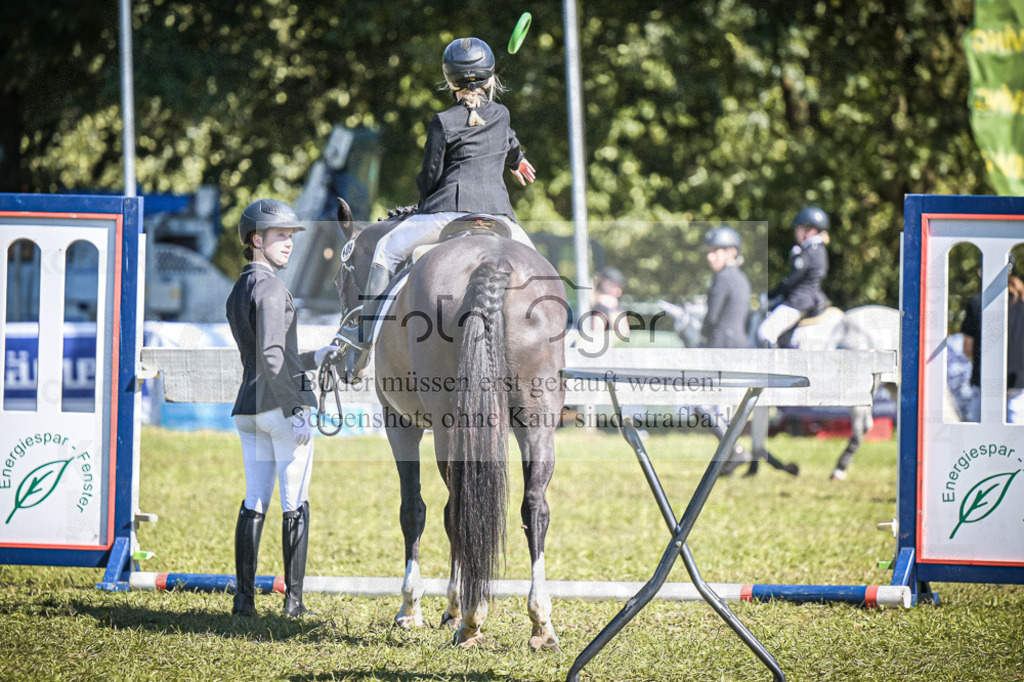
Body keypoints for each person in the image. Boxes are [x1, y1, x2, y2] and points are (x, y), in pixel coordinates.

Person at [337, 36, 537, 379]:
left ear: (449, 81)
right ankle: (564, 331)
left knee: (385, 250)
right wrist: (517, 161)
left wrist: (424, 206)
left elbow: (430, 176)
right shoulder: (501, 114)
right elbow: (509, 141)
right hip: (498, 217)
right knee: (538, 269)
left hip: (448, 213)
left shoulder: (442, 122)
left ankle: (362, 341)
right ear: (490, 81)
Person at [226, 198, 336, 618]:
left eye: (290, 236)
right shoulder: (272, 287)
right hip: (278, 410)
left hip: (248, 410)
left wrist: (315, 355)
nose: (288, 243)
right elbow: (273, 357)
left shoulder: (240, 288)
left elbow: (271, 354)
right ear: (257, 240)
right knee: (296, 501)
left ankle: (244, 600)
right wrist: (295, 408)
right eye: (279, 236)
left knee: (254, 499)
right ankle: (294, 602)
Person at [757, 206, 831, 348]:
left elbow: (790, 282)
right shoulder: (817, 250)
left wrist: (769, 295)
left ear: (811, 231)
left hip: (799, 301)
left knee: (765, 333)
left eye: (799, 229)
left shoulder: (809, 252)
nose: (796, 233)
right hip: (809, 298)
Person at [960, 269, 1024, 423]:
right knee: (1016, 441)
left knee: (980, 440)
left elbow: (967, 347)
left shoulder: (977, 302)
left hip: (985, 380)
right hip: (1018, 382)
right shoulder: (1021, 300)